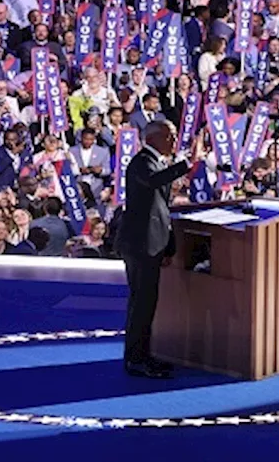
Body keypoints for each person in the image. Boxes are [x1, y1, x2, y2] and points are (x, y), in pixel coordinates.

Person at [113, 121, 192, 379]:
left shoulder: (155, 162)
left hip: (152, 244)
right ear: (155, 137)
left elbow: (161, 208)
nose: (173, 141)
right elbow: (153, 181)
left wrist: (168, 245)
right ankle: (136, 359)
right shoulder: (141, 162)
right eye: (169, 136)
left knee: (148, 302)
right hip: (140, 245)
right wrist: (184, 166)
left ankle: (144, 354)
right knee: (142, 303)